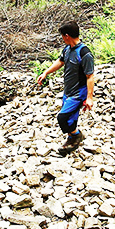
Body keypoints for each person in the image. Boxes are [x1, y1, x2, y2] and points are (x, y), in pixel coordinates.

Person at [36, 21, 95, 154]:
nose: (62, 38)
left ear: (67, 36)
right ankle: (71, 140)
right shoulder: (67, 49)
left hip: (78, 93)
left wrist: (89, 98)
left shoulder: (84, 53)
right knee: (71, 117)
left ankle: (77, 135)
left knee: (62, 118)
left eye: (62, 36)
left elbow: (90, 77)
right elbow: (60, 62)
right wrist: (46, 72)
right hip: (68, 91)